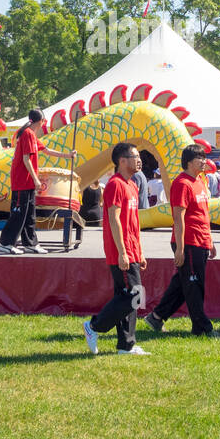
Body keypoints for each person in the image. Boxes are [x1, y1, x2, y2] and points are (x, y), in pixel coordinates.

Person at [82, 142, 149, 355]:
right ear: (122, 160)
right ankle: (94, 326)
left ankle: (126, 345)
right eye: (135, 156)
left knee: (126, 296)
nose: (139, 160)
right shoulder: (115, 184)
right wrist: (122, 252)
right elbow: (114, 219)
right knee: (135, 295)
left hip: (131, 250)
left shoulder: (133, 185)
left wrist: (140, 251)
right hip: (121, 251)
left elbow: (134, 222)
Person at [145, 145, 217, 337]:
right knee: (194, 285)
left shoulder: (199, 181)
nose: (204, 161)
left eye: (204, 157)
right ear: (189, 162)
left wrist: (210, 240)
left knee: (183, 284)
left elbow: (204, 214)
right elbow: (178, 218)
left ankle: (157, 317)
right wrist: (180, 249)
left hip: (201, 240)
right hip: (188, 241)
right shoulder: (182, 183)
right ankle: (202, 328)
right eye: (199, 158)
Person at [0, 109, 77, 255]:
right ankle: (6, 243)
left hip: (27, 183)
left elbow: (47, 150)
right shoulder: (27, 134)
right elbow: (26, 159)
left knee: (29, 214)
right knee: (19, 214)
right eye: (44, 121)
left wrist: (68, 155)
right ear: (41, 121)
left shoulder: (32, 136)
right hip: (22, 182)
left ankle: (30, 243)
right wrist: (36, 179)